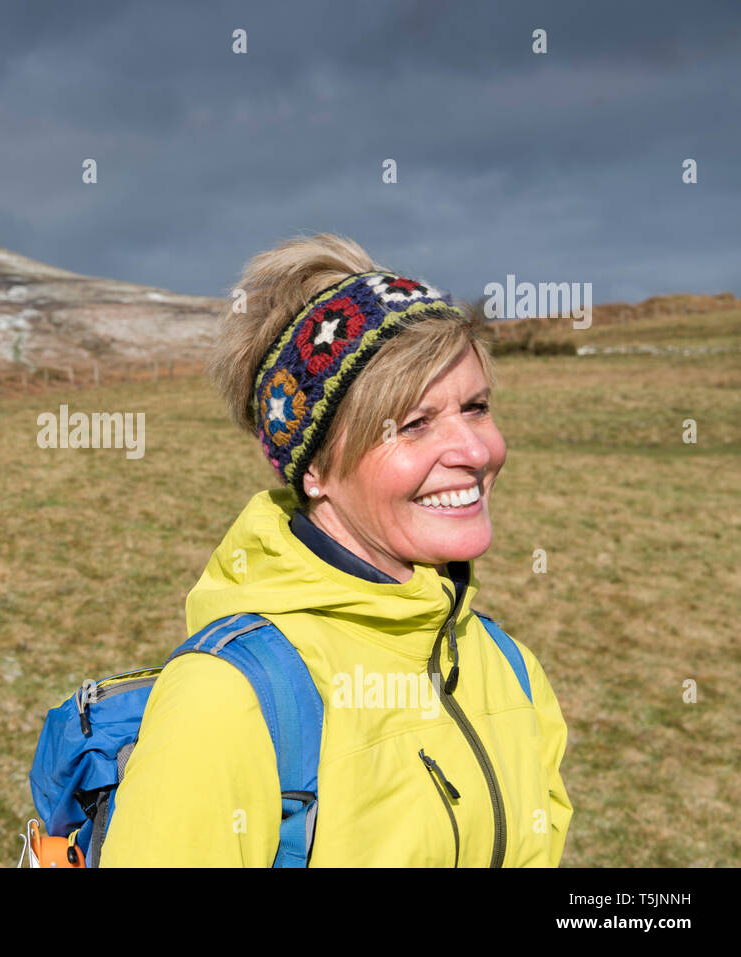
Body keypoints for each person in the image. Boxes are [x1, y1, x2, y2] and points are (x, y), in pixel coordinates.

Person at [99, 234, 572, 867]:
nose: (477, 451)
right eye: (413, 424)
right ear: (316, 469)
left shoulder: (509, 667)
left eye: (476, 407)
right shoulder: (230, 697)